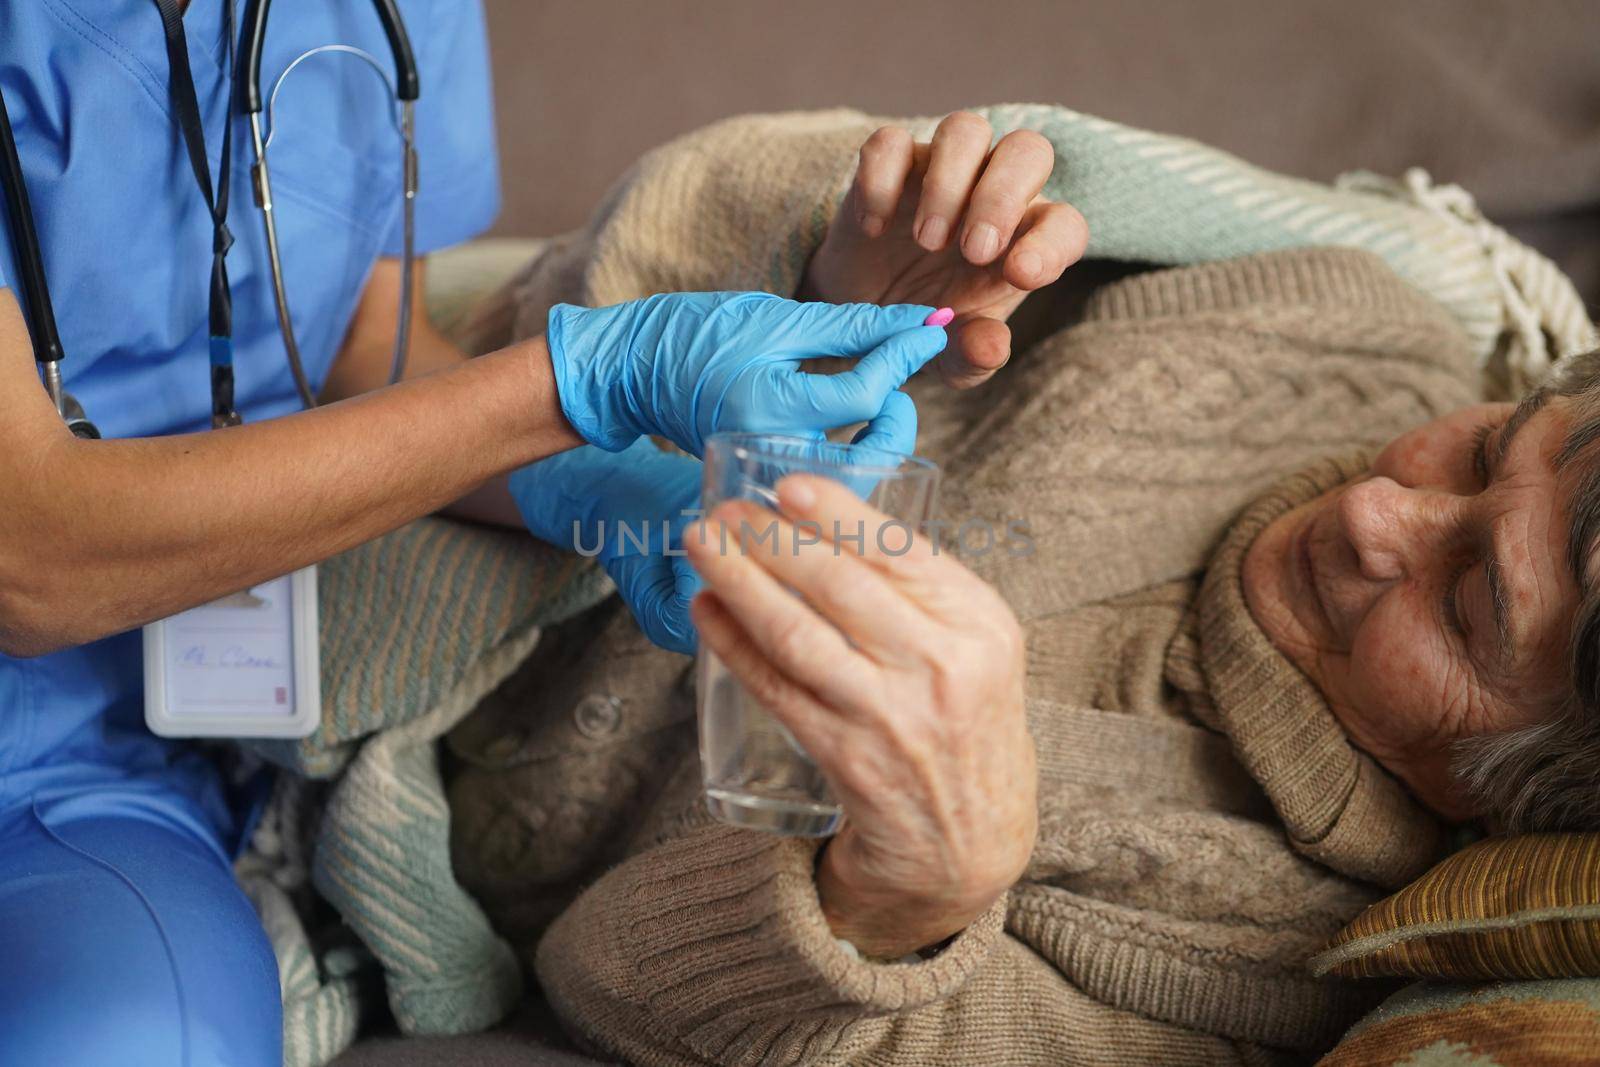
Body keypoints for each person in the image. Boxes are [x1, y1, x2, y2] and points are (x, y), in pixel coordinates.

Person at [0, 7, 1074, 1065]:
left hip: (112, 771)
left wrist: (615, 487)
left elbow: (368, 357)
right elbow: (30, 556)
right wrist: (588, 376)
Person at [448, 110, 1600, 1064]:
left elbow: (607, 974)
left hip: (416, 705)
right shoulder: (1346, 334)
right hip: (477, 356)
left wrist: (893, 908)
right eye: (1485, 450)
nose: (1373, 509)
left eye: (1466, 605)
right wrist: (838, 291)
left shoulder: (1248, 959)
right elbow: (704, 302)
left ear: (1507, 798)